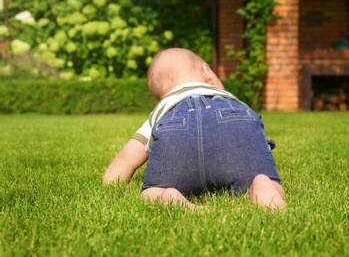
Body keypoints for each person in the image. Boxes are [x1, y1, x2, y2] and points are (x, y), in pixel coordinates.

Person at [103, 48, 286, 211]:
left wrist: (110, 183)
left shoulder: (165, 106)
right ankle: (262, 185)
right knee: (263, 179)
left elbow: (127, 157)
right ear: (207, 72)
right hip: (234, 122)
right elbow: (253, 137)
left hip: (178, 135)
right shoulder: (228, 99)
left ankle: (168, 196)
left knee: (150, 193)